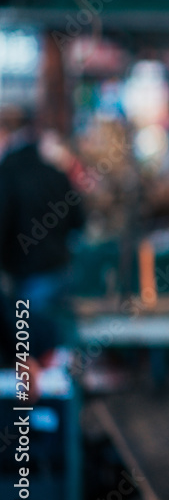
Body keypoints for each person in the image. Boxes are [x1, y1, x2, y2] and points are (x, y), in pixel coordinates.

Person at [0, 105, 85, 368]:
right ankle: (67, 398)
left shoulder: (7, 176)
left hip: (28, 277)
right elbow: (78, 221)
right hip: (61, 270)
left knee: (30, 347)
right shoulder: (56, 174)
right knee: (58, 345)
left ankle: (44, 401)